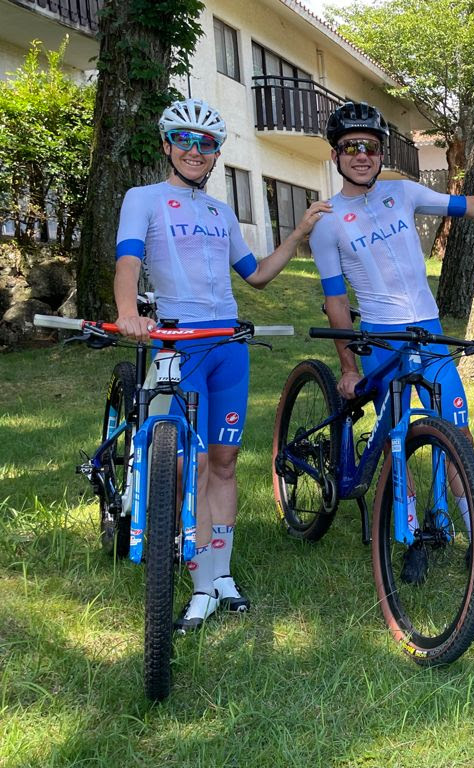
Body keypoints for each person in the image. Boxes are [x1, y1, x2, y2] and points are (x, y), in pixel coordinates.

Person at [309, 101, 474, 582]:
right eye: (350, 147)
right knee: (397, 439)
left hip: (428, 332)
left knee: (458, 432)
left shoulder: (403, 193)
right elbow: (335, 300)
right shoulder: (326, 221)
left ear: (381, 152)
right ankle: (411, 537)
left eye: (370, 147)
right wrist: (347, 366)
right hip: (382, 339)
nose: (361, 155)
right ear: (335, 155)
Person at [114, 98, 331, 631]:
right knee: (190, 465)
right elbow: (128, 262)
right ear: (167, 145)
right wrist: (127, 311)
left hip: (228, 345)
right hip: (180, 342)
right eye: (184, 140)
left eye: (206, 143)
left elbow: (255, 275)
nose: (195, 150)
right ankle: (200, 580)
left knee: (225, 462)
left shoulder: (221, 212)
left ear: (215, 153)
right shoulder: (143, 199)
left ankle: (222, 575)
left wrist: (298, 235)